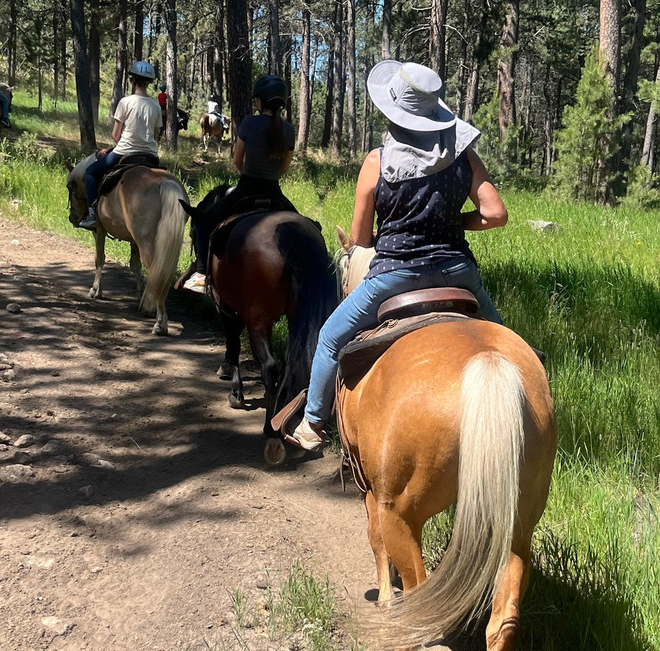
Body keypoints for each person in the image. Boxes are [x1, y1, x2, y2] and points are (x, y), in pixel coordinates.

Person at [287, 61, 508, 452]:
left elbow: (358, 239)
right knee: (506, 348)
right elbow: (496, 214)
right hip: (458, 273)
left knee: (330, 337)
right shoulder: (464, 158)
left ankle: (314, 423)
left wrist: (390, 232)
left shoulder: (377, 161)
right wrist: (454, 222)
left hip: (394, 275)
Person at [179, 76, 295, 292]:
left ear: (260, 102)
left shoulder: (250, 122)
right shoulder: (288, 129)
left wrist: (247, 173)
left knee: (204, 221)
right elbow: (285, 168)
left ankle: (202, 274)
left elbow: (236, 159)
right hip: (275, 191)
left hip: (246, 188)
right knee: (307, 227)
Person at [77, 60, 162, 231]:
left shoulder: (125, 102)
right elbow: (155, 136)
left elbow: (116, 135)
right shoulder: (156, 106)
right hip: (151, 157)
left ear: (132, 80)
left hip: (124, 152)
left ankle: (92, 214)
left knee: (90, 173)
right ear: (149, 83)